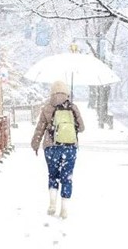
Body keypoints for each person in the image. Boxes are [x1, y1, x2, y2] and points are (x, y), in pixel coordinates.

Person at [31, 80, 85, 219]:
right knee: (67, 178)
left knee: (53, 175)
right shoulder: (72, 107)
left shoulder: (47, 107)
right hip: (70, 147)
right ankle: (64, 209)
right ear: (66, 92)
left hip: (51, 147)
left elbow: (40, 128)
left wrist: (35, 144)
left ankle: (52, 203)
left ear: (52, 92)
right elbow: (82, 128)